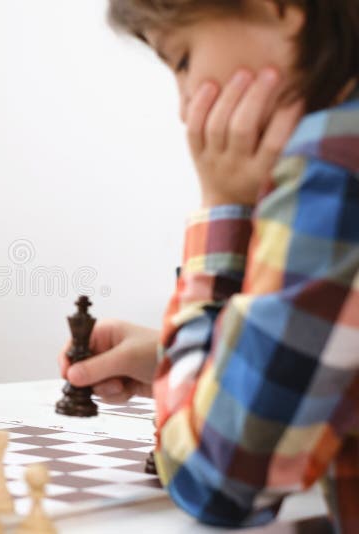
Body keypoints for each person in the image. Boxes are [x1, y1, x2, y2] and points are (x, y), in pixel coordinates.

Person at [59, 1, 359, 530]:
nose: (183, 105)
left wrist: (223, 206)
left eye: (181, 60)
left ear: (280, 9)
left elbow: (216, 479)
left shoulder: (334, 166)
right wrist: (187, 357)